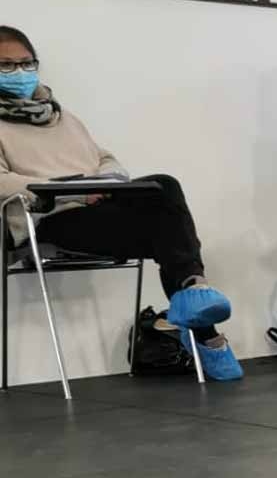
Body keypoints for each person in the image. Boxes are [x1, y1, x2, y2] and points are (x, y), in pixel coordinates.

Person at [0, 26, 242, 380]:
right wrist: (71, 190)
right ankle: (204, 328)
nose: (19, 72)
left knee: (163, 187)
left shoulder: (61, 117)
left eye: (26, 63)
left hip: (98, 209)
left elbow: (106, 159)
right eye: (6, 65)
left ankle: (193, 292)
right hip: (50, 219)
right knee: (168, 231)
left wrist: (106, 183)